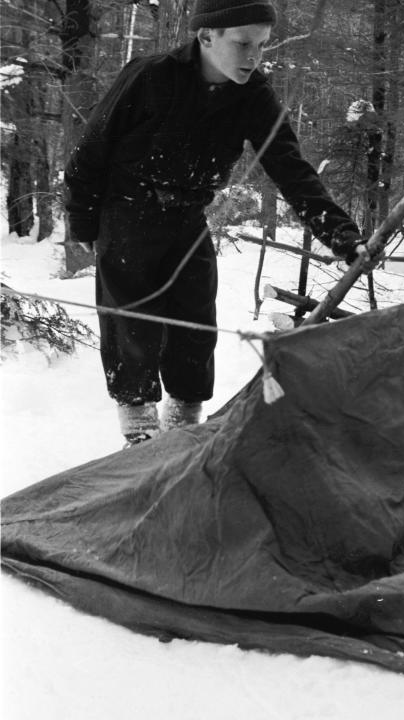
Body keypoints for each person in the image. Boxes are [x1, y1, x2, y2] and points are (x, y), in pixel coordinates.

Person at [64, 0, 367, 446]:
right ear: (207, 37)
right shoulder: (150, 77)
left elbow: (292, 170)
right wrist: (84, 222)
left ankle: (186, 420)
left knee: (196, 318)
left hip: (188, 217)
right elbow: (91, 152)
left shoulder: (254, 96)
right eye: (243, 43)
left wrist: (343, 236)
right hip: (128, 211)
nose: (253, 57)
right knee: (132, 320)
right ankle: (139, 431)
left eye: (262, 46)